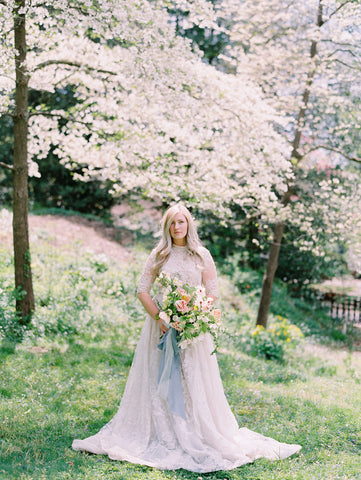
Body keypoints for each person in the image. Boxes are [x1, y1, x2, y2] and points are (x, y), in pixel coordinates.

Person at [72, 204, 301, 472]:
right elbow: (142, 290)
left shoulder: (201, 255)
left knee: (192, 378)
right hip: (161, 327)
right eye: (171, 223)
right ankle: (164, 430)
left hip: (193, 330)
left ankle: (195, 429)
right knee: (161, 375)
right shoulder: (159, 254)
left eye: (181, 222)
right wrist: (160, 317)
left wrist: (192, 315)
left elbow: (213, 293)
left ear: (188, 224)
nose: (176, 227)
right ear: (166, 227)